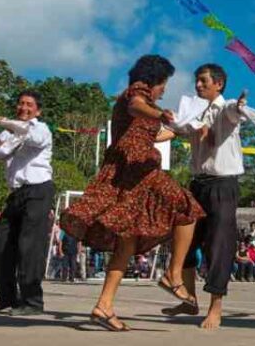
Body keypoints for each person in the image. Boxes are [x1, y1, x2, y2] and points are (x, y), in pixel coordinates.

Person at [63, 55, 204, 331]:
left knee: (126, 241)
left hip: (130, 172)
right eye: (164, 83)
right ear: (154, 79)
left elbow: (153, 134)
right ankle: (173, 276)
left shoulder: (147, 106)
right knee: (189, 209)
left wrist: (181, 130)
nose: (164, 90)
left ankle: (104, 306)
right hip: (137, 171)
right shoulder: (136, 92)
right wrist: (159, 114)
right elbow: (137, 106)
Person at [161, 63, 247, 329]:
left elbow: (235, 113)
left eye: (203, 81)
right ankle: (189, 299)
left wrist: (240, 105)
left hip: (223, 186)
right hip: (197, 185)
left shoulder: (226, 108)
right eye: (196, 81)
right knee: (183, 241)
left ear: (218, 84)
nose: (197, 86)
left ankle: (215, 308)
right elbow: (174, 130)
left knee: (218, 246)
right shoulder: (193, 112)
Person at [0, 90, 56, 316]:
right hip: (16, 193)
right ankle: (8, 297)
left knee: (29, 247)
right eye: (21, 104)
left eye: (29, 104)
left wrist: (15, 129)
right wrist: (7, 144)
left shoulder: (41, 128)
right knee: (0, 245)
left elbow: (35, 139)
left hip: (38, 190)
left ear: (37, 110)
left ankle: (32, 302)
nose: (23, 108)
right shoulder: (8, 132)